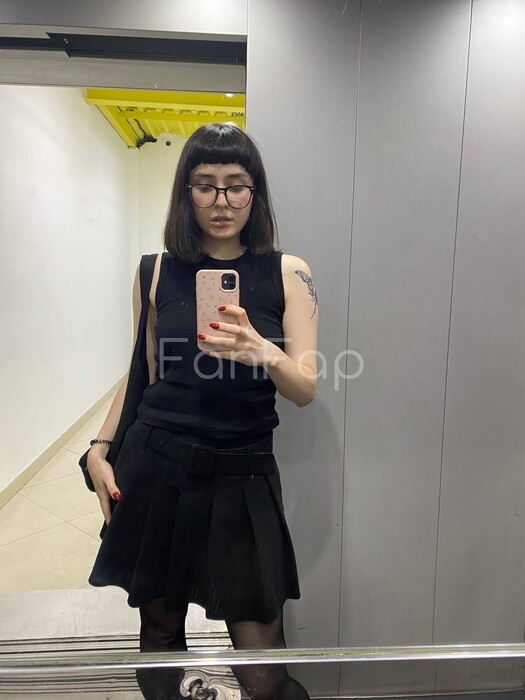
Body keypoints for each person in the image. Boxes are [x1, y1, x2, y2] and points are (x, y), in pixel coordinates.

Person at [86, 123, 319, 700]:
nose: (221, 201)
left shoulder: (290, 273)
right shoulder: (154, 270)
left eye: (236, 185)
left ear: (255, 194)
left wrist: (262, 351)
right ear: (185, 193)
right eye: (205, 185)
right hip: (158, 465)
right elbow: (142, 371)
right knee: (161, 634)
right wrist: (98, 448)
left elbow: (305, 389)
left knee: (264, 672)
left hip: (244, 474)